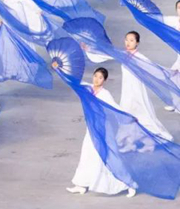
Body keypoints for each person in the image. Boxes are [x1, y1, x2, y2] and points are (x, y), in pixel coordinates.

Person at [87, 31, 173, 141]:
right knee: (127, 109)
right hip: (127, 89)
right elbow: (106, 54)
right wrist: (89, 50)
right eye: (126, 40)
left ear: (137, 43)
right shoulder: (124, 54)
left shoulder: (139, 57)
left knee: (142, 110)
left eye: (131, 40)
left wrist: (169, 73)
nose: (128, 42)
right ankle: (130, 135)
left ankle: (152, 133)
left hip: (137, 89)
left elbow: (153, 68)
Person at [66, 67, 135, 197]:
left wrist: (128, 117)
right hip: (91, 127)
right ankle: (81, 184)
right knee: (87, 153)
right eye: (95, 76)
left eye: (100, 78)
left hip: (102, 128)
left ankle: (128, 184)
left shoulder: (105, 94)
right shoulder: (87, 88)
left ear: (105, 80)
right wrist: (58, 69)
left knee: (107, 155)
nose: (97, 79)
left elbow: (115, 108)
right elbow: (73, 81)